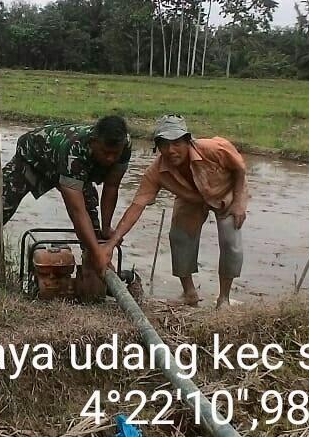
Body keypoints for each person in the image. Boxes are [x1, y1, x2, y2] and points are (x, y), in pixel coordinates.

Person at [101, 114, 248, 307]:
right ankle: (189, 293)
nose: (171, 150)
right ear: (158, 147)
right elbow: (137, 206)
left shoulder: (213, 148)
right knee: (179, 237)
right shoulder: (156, 172)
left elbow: (239, 169)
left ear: (188, 141)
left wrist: (238, 202)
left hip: (225, 193)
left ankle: (224, 299)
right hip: (191, 198)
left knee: (230, 240)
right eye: (164, 144)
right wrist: (111, 243)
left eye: (177, 143)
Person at [0, 116, 131, 273]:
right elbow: (76, 212)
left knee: (94, 228)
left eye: (115, 153)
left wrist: (106, 229)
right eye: (105, 152)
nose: (110, 158)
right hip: (33, 158)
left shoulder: (124, 146)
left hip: (71, 167)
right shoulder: (74, 152)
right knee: (1, 208)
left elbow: (111, 186)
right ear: (93, 142)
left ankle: (91, 276)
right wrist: (98, 253)